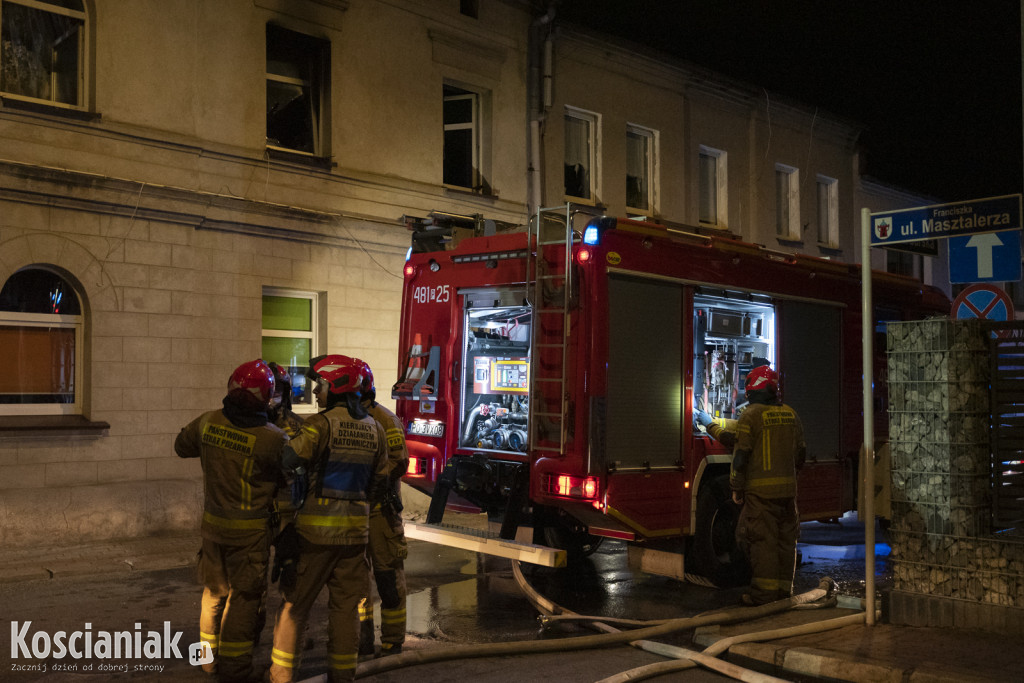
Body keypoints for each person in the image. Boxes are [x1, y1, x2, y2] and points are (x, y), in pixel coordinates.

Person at [268, 355, 389, 683]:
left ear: (334, 385)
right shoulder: (375, 428)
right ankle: (342, 676)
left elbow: (288, 458)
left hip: (315, 538)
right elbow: (380, 481)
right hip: (355, 539)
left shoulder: (321, 425)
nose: (317, 392)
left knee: (294, 607)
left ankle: (280, 676)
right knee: (345, 611)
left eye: (320, 384)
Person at [174, 359, 287, 682]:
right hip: (250, 535)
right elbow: (290, 481)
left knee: (213, 592)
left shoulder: (207, 423)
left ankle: (207, 661)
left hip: (212, 529)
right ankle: (236, 668)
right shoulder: (273, 439)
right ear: (265, 397)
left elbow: (181, 446)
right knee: (244, 598)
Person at [729, 365, 806, 606]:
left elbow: (740, 457)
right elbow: (800, 456)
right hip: (788, 494)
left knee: (764, 544)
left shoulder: (750, 415)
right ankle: (784, 592)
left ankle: (763, 596)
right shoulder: (791, 414)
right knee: (786, 542)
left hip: (761, 495)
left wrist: (737, 487)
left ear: (753, 388)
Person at [352, 358, 409, 658]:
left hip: (381, 514)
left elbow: (399, 462)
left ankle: (392, 641)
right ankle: (363, 640)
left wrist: (370, 488)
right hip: (355, 513)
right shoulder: (347, 419)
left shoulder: (386, 420)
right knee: (357, 581)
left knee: (388, 578)